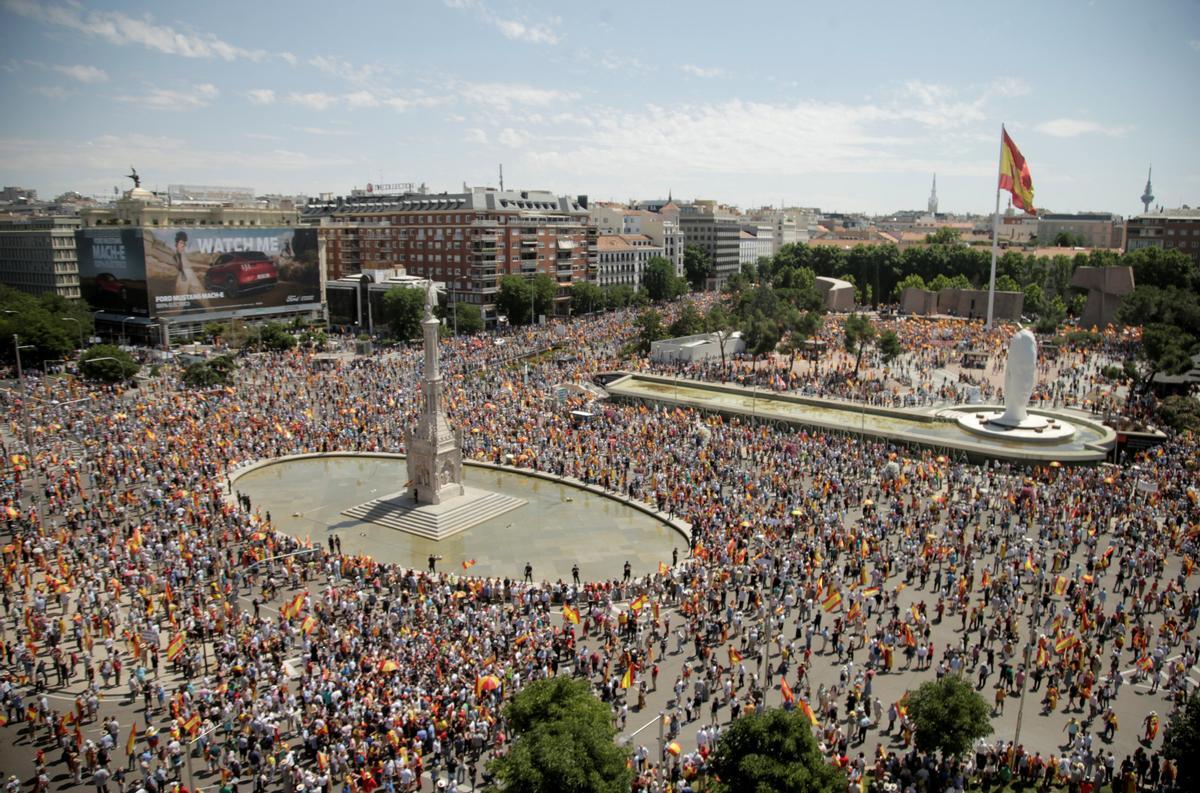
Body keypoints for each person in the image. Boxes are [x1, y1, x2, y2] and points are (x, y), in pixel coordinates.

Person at [171, 230, 204, 297]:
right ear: (177, 243)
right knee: (180, 297)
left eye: (184, 243)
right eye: (181, 243)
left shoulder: (182, 250)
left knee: (200, 292)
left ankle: (208, 307)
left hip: (189, 272)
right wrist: (182, 271)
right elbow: (178, 257)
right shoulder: (178, 251)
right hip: (184, 272)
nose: (183, 245)